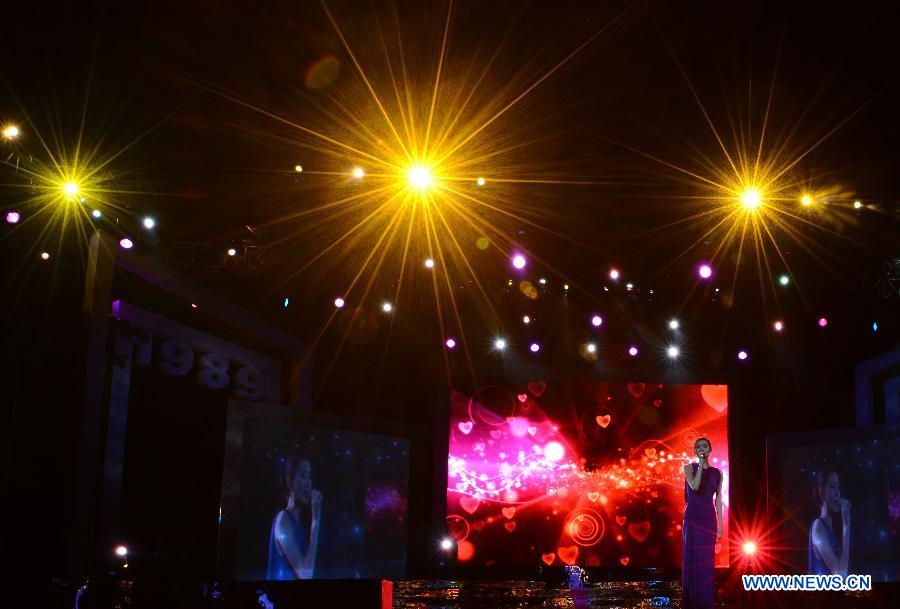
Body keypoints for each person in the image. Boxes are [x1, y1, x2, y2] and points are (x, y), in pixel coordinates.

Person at [681, 437, 723, 609]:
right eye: (698, 447)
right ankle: (693, 603)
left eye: (704, 446)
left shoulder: (718, 473)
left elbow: (718, 500)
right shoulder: (688, 468)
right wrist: (699, 464)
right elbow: (696, 486)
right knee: (693, 560)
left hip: (708, 519)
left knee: (706, 561)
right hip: (692, 518)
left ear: (710, 449)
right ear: (695, 451)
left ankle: (705, 602)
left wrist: (720, 525)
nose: (701, 449)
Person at [266, 456, 323, 579]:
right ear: (290, 482)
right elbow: (306, 575)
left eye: (310, 477)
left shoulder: (298, 527)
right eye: (303, 476)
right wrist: (316, 519)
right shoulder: (283, 520)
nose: (308, 483)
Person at [808, 470, 850, 576]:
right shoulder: (818, 527)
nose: (838, 493)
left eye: (838, 487)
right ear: (821, 492)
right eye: (832, 487)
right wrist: (846, 526)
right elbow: (840, 576)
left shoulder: (830, 529)